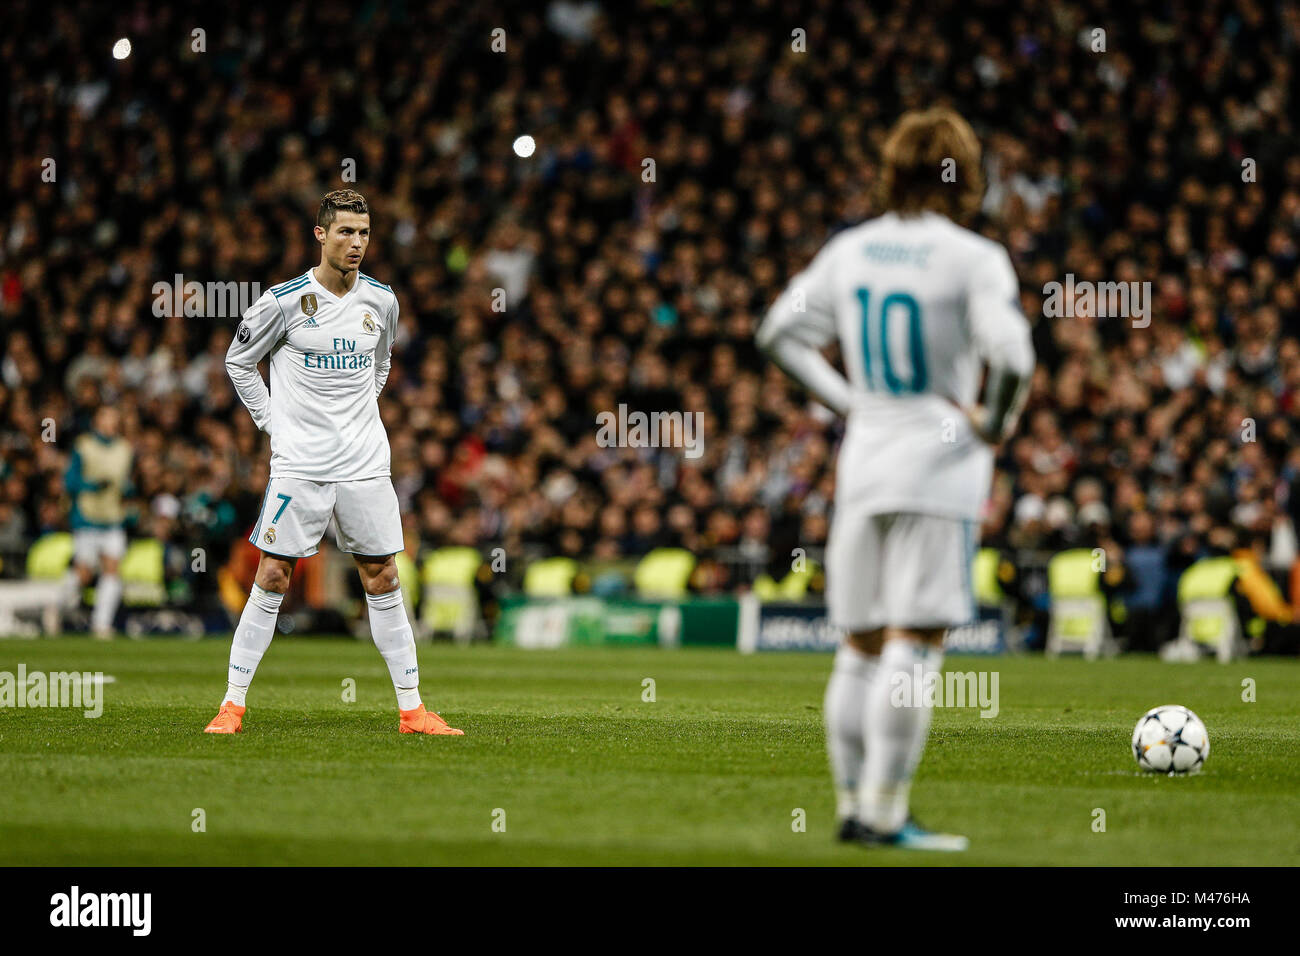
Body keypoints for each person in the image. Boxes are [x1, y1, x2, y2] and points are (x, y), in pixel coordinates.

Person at [757, 108, 1035, 850]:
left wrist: (851, 402)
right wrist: (996, 425)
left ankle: (854, 810)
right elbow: (1013, 359)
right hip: (938, 467)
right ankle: (886, 813)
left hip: (865, 461)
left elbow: (776, 334)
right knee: (916, 642)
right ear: (964, 172)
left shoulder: (851, 250)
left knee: (859, 645)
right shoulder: (973, 257)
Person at [206, 189, 463, 736]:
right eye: (345, 232)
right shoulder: (282, 302)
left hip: (365, 463)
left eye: (364, 233)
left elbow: (381, 359)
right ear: (320, 235)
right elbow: (238, 361)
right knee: (272, 574)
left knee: (383, 575)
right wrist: (275, 422)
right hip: (299, 465)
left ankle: (413, 710)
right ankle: (232, 706)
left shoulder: (381, 301)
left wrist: (361, 411)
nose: (356, 243)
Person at [63, 405, 133, 639]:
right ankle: (57, 606)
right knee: (84, 573)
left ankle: (101, 624)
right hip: (87, 516)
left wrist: (127, 491)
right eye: (106, 418)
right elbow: (70, 482)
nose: (111, 423)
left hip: (112, 518)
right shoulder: (84, 445)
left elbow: (127, 482)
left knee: (112, 570)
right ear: (96, 421)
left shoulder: (125, 449)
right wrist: (92, 486)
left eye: (115, 418)